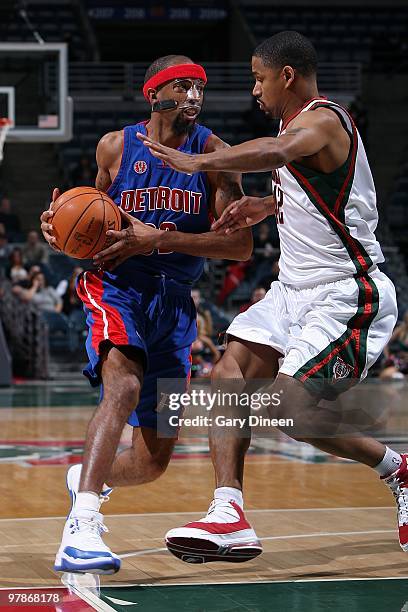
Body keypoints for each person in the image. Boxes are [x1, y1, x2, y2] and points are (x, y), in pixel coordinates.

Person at [139, 32, 403, 564]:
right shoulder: (294, 126)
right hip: (292, 290)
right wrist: (263, 205)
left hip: (346, 292)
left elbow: (279, 152)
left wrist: (200, 164)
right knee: (228, 376)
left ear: (286, 75)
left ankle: (398, 468)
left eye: (259, 78)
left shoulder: (326, 119)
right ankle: (227, 511)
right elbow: (305, 187)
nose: (254, 90)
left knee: (290, 412)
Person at [40, 55, 252, 574]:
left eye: (200, 87)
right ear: (153, 93)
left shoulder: (216, 154)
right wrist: (62, 229)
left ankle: (88, 475)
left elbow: (241, 245)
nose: (194, 97)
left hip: (175, 301)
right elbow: (93, 217)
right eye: (182, 86)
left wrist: (160, 241)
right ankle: (82, 526)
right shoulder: (115, 146)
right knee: (124, 388)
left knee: (153, 461)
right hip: (117, 287)